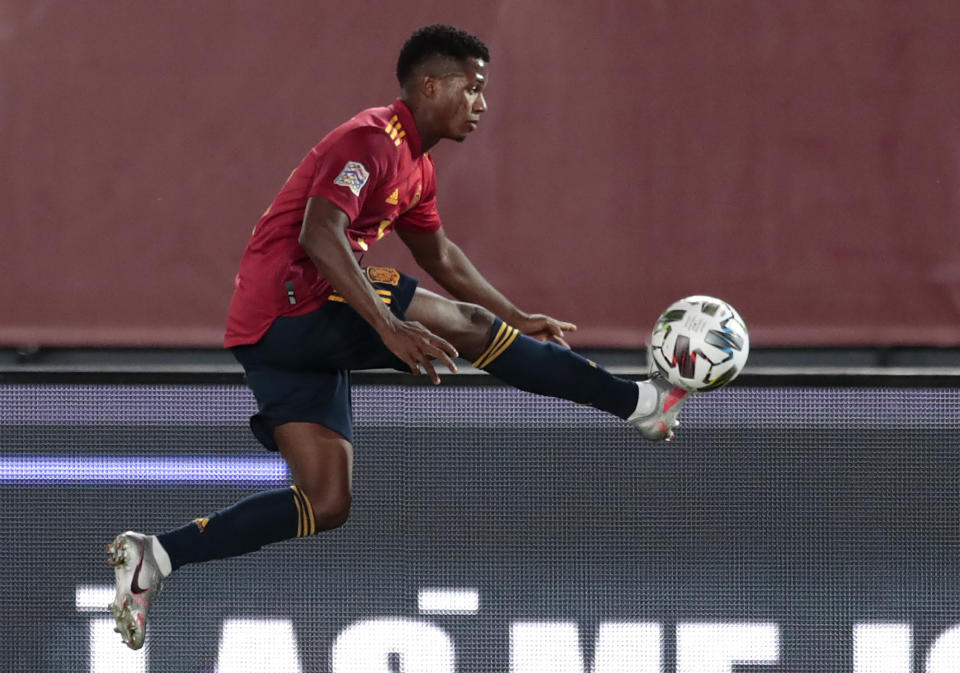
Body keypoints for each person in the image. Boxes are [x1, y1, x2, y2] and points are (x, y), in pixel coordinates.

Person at [106, 24, 690, 650]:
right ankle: (639, 404)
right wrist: (389, 326)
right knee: (461, 326)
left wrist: (512, 315)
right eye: (473, 88)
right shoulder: (370, 141)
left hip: (270, 336)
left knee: (326, 502)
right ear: (431, 85)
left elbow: (438, 252)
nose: (482, 104)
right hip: (296, 304)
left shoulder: (417, 169)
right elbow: (320, 234)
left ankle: (156, 557)